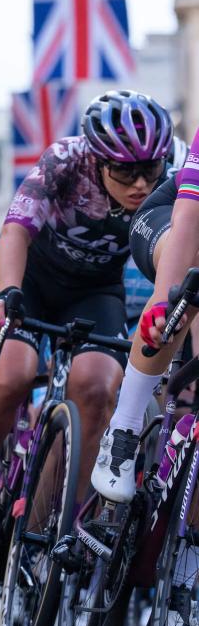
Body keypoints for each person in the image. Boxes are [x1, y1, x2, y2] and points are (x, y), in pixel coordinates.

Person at [0, 90, 174, 565]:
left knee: (98, 388)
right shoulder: (65, 161)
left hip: (94, 292)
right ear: (98, 160)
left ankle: (48, 529)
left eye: (151, 170)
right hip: (31, 279)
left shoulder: (173, 169)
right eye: (125, 171)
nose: (142, 183)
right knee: (15, 372)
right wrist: (9, 291)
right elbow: (15, 231)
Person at [92, 127, 199, 502]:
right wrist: (164, 302)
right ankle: (124, 428)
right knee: (192, 274)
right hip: (172, 222)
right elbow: (189, 220)